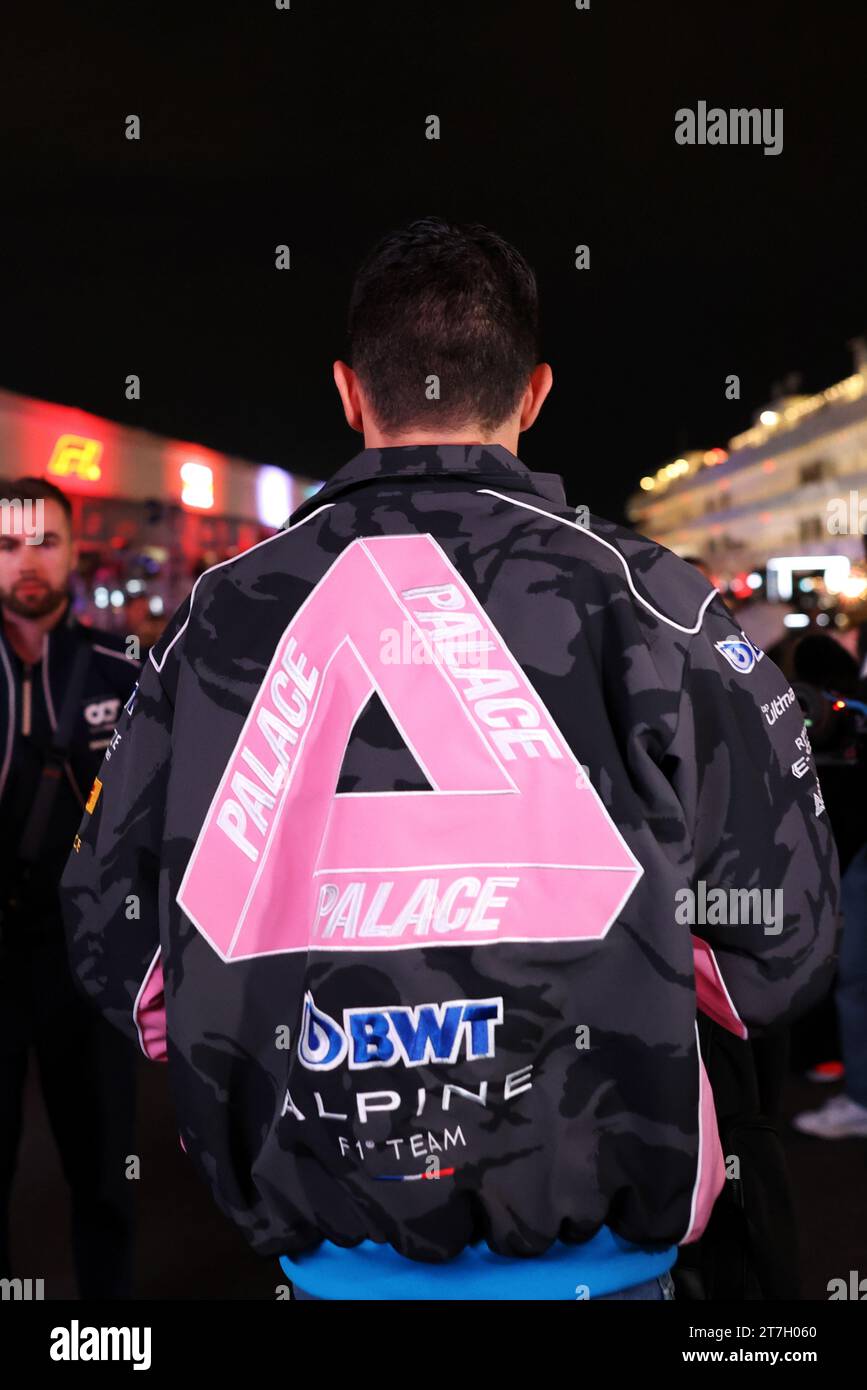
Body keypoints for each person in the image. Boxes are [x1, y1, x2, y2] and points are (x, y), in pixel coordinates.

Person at [59, 218, 840, 1301]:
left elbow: (110, 928)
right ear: (534, 393)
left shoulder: (222, 615)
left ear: (346, 391)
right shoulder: (654, 602)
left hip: (331, 1256)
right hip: (604, 1263)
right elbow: (785, 947)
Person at [0, 476, 140, 1298]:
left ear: (74, 550)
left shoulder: (121, 673)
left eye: (44, 540)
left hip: (84, 967)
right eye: (9, 542)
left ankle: (105, 1341)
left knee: (104, 1178)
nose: (28, 559)